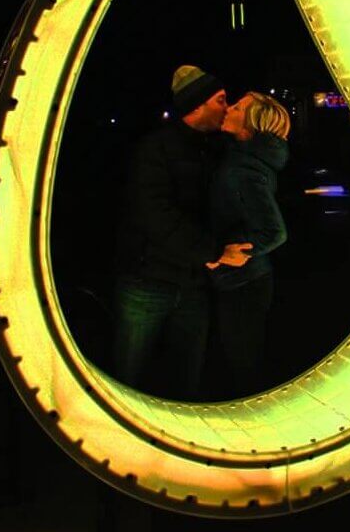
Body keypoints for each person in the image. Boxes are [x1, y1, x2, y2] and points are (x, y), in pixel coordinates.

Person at [110, 65, 252, 399]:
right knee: (125, 380)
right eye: (220, 100)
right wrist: (215, 252)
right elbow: (156, 216)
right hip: (147, 283)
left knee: (186, 382)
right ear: (197, 105)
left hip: (193, 285)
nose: (226, 106)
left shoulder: (217, 150)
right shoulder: (155, 150)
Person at [207, 91, 291, 397]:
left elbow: (274, 231)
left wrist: (230, 253)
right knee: (240, 360)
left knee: (242, 367)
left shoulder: (246, 168)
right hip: (242, 281)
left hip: (244, 283)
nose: (229, 108)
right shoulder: (245, 157)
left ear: (250, 123)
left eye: (238, 107)